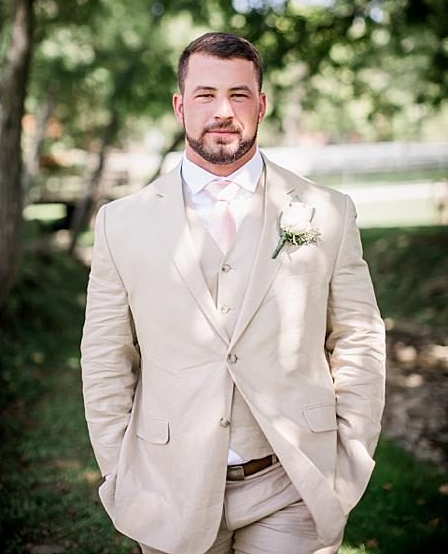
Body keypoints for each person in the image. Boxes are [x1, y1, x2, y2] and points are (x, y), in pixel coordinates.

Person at [81, 32, 385, 554]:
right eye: (205, 95)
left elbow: (358, 336)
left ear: (261, 105)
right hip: (167, 487)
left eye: (239, 95)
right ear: (180, 106)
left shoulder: (328, 211)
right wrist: (121, 469)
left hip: (293, 483)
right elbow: (106, 355)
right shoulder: (120, 223)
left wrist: (349, 456)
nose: (223, 110)